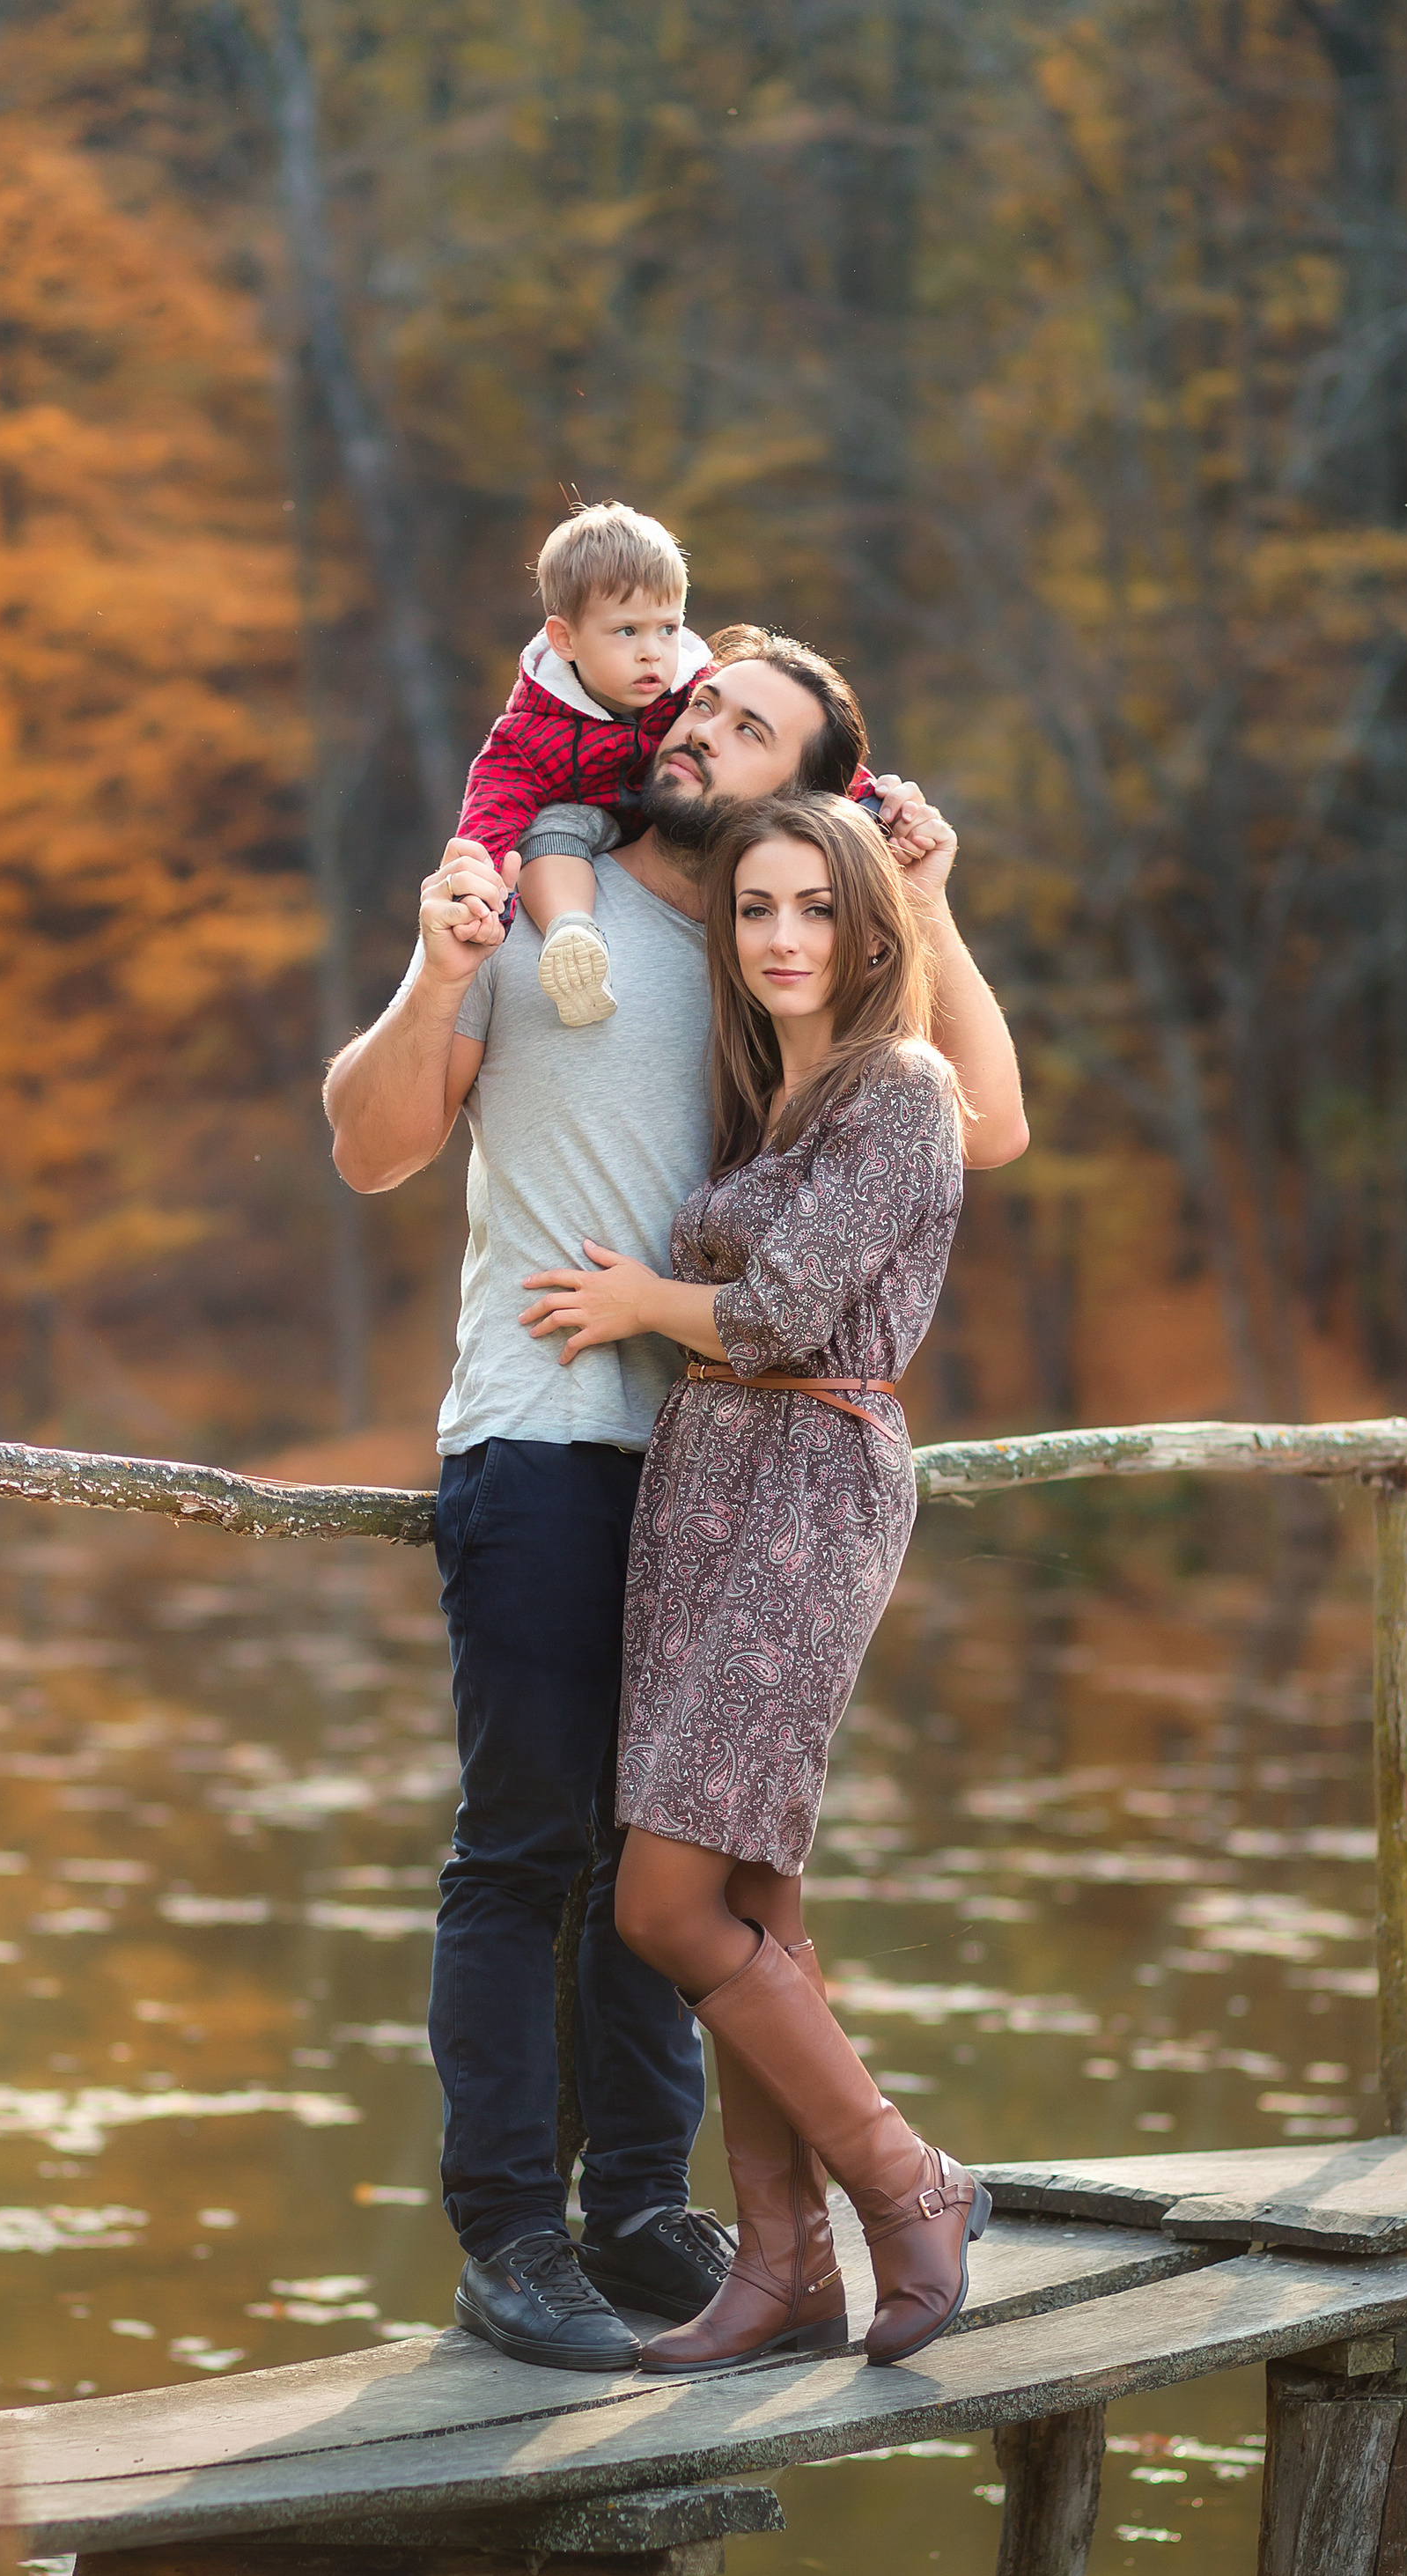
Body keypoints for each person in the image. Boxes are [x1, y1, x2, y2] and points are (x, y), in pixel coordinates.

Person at [324, 632, 1026, 2372]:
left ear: (806, 801)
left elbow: (977, 1122)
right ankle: (513, 2240)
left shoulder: (760, 949)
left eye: (738, 724)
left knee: (678, 1872)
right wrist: (434, 974)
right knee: (532, 1851)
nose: (692, 732)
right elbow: (363, 1144)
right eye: (690, 707)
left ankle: (653, 2219)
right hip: (553, 1437)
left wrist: (922, 906)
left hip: (734, 1466)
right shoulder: (540, 910)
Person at [519, 794, 985, 2373]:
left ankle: (907, 2184)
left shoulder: (901, 1092)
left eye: (812, 910)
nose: (781, 938)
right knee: (748, 1895)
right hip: (704, 1489)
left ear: (869, 934)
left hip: (809, 1482)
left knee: (662, 1901)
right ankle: (783, 2266)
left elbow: (782, 1311)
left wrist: (642, 1296)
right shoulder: (763, 1103)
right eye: (754, 910)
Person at [455, 503, 878, 1034]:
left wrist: (875, 801)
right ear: (565, 640)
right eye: (626, 632)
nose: (653, 654)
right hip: (594, 831)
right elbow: (494, 805)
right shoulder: (531, 731)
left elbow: (811, 755)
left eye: (668, 628)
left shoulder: (691, 682)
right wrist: (480, 884)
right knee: (556, 827)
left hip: (669, 827)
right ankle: (572, 934)